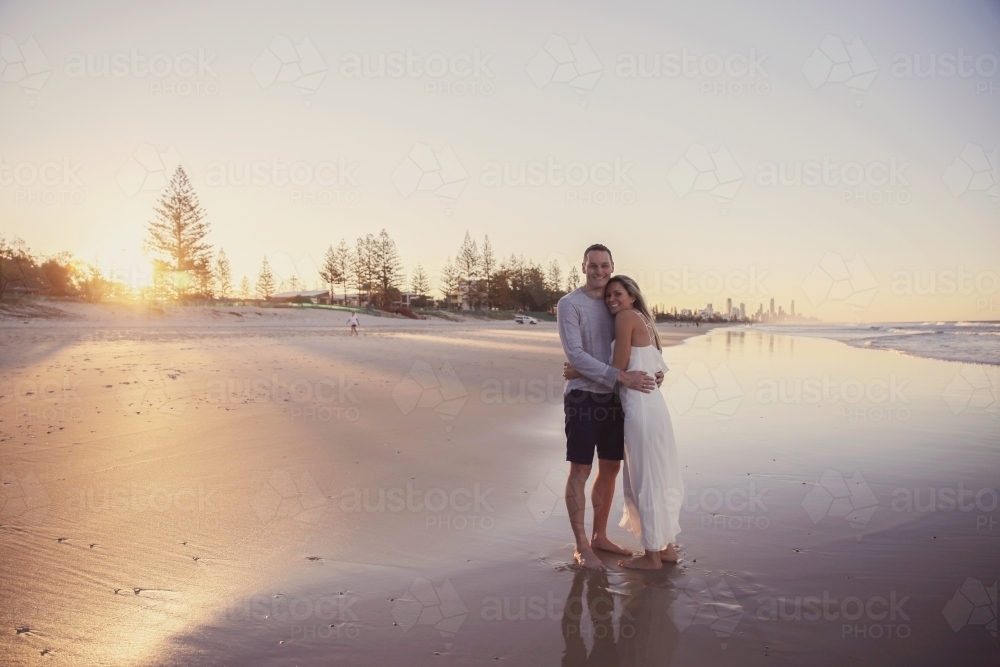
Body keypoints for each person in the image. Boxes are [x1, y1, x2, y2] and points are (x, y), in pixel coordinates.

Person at [556, 244, 663, 571]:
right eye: (593, 265)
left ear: (612, 266)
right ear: (583, 267)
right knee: (581, 470)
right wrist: (620, 376)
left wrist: (654, 369)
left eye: (605, 265)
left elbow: (639, 343)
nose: (599, 271)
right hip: (584, 397)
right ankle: (581, 546)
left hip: (616, 399)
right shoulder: (569, 304)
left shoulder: (616, 302)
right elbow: (575, 355)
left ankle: (600, 536)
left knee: (612, 468)